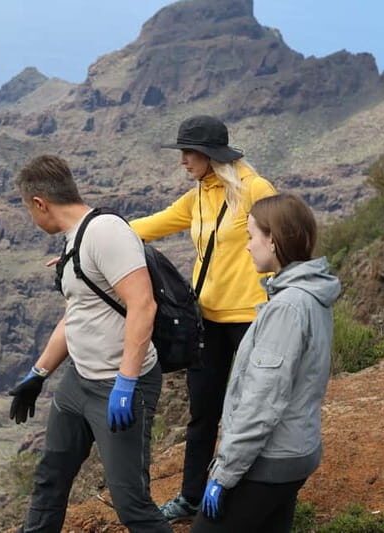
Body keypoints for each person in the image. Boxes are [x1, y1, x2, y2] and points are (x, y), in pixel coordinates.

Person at [9, 155, 173, 533]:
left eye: (28, 209)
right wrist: (38, 373)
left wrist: (126, 383)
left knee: (131, 503)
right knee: (51, 477)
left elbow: (143, 305)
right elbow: (78, 314)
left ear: (40, 203)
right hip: (78, 382)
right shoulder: (74, 240)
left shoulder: (105, 233)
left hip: (118, 385)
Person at [129, 115, 277, 522]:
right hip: (206, 322)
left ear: (211, 155)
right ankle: (191, 497)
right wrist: (89, 238)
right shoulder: (197, 196)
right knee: (202, 413)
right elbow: (147, 227)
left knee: (249, 413)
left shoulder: (255, 189)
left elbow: (280, 241)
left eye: (189, 152)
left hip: (250, 320)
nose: (183, 160)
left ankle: (251, 497)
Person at [192, 193, 340, 532]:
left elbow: (262, 400)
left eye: (251, 236)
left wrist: (224, 474)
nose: (247, 246)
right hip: (296, 450)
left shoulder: (287, 307)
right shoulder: (311, 295)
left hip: (270, 460)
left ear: (273, 239)